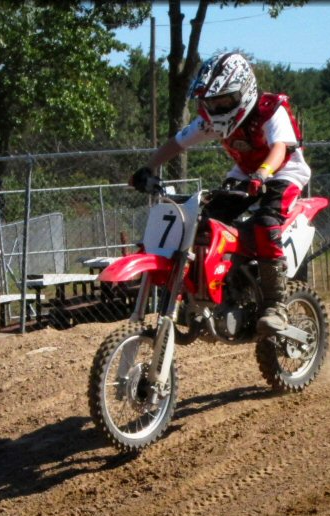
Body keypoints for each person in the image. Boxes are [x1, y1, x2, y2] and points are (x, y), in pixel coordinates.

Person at [130, 51, 310, 335]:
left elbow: (280, 148)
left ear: (244, 90)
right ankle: (221, 287)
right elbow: (177, 143)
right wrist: (148, 168)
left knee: (265, 222)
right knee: (205, 221)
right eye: (211, 101)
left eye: (224, 100)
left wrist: (263, 173)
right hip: (245, 174)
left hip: (283, 172)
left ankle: (276, 304)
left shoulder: (270, 109)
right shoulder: (209, 121)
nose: (217, 107)